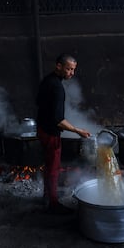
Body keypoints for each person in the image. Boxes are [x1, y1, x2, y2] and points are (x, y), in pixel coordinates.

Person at [36, 53, 91, 214]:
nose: (71, 73)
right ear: (58, 66)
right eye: (68, 69)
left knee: (49, 165)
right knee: (53, 168)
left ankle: (47, 195)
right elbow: (58, 120)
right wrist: (77, 130)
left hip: (41, 129)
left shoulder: (47, 80)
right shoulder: (57, 88)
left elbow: (37, 102)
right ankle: (53, 204)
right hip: (50, 133)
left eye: (73, 70)